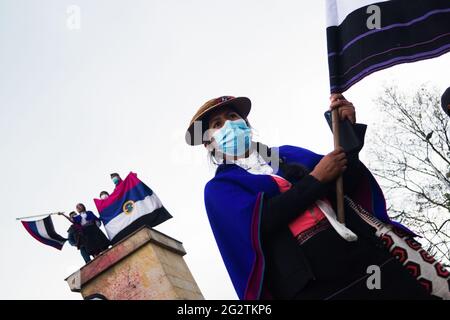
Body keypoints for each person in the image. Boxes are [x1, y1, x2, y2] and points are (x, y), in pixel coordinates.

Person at [185, 95, 450, 300]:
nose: (229, 125)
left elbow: (344, 183)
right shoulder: (219, 188)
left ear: (246, 126)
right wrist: (315, 181)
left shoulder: (287, 154)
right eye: (218, 125)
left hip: (364, 255)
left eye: (233, 117)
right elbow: (261, 222)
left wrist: (346, 132)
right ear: (209, 142)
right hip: (311, 284)